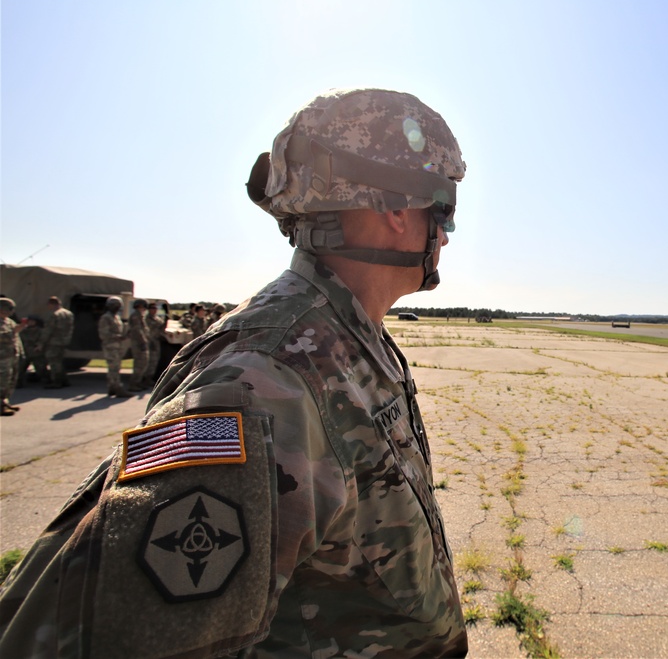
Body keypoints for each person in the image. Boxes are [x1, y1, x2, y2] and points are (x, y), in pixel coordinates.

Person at [0, 87, 468, 657]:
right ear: (398, 208)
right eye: (441, 208)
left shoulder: (348, 340)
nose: (443, 235)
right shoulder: (266, 381)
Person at [97, 296, 132, 398]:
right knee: (114, 368)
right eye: (115, 306)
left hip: (116, 346)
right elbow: (103, 334)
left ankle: (112, 388)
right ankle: (117, 389)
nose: (117, 308)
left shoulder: (116, 317)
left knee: (115, 368)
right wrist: (119, 337)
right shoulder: (106, 318)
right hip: (110, 346)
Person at [39, 296, 74, 388]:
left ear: (51, 304)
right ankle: (64, 380)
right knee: (60, 361)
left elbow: (48, 330)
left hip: (54, 341)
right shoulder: (69, 313)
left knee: (54, 362)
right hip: (64, 340)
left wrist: (42, 342)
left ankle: (56, 381)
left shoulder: (55, 315)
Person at [0, 298, 26, 416]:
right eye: (8, 309)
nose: (10, 312)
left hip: (11, 355)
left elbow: (16, 338)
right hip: (2, 358)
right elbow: (6, 335)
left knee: (11, 380)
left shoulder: (8, 321)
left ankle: (5, 402)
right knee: (2, 382)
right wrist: (14, 331)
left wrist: (21, 352)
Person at [126, 298, 150, 392]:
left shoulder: (139, 315)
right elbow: (137, 330)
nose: (145, 308)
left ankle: (138, 382)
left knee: (143, 364)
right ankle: (134, 384)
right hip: (138, 343)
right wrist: (143, 342)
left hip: (140, 342)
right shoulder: (136, 315)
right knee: (139, 364)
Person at [16, 315, 47, 386]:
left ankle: (47, 380)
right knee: (20, 369)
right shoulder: (24, 330)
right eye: (29, 321)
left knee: (41, 369)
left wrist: (39, 346)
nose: (30, 322)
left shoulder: (40, 330)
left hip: (36, 352)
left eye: (32, 321)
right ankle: (18, 383)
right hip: (25, 352)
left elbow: (43, 340)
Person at [144, 301, 167, 386]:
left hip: (156, 342)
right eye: (152, 308)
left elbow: (161, 329)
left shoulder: (158, 319)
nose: (154, 310)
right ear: (149, 309)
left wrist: (166, 321)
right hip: (149, 342)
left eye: (155, 308)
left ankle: (149, 378)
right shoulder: (146, 319)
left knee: (154, 362)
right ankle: (144, 379)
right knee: (147, 362)